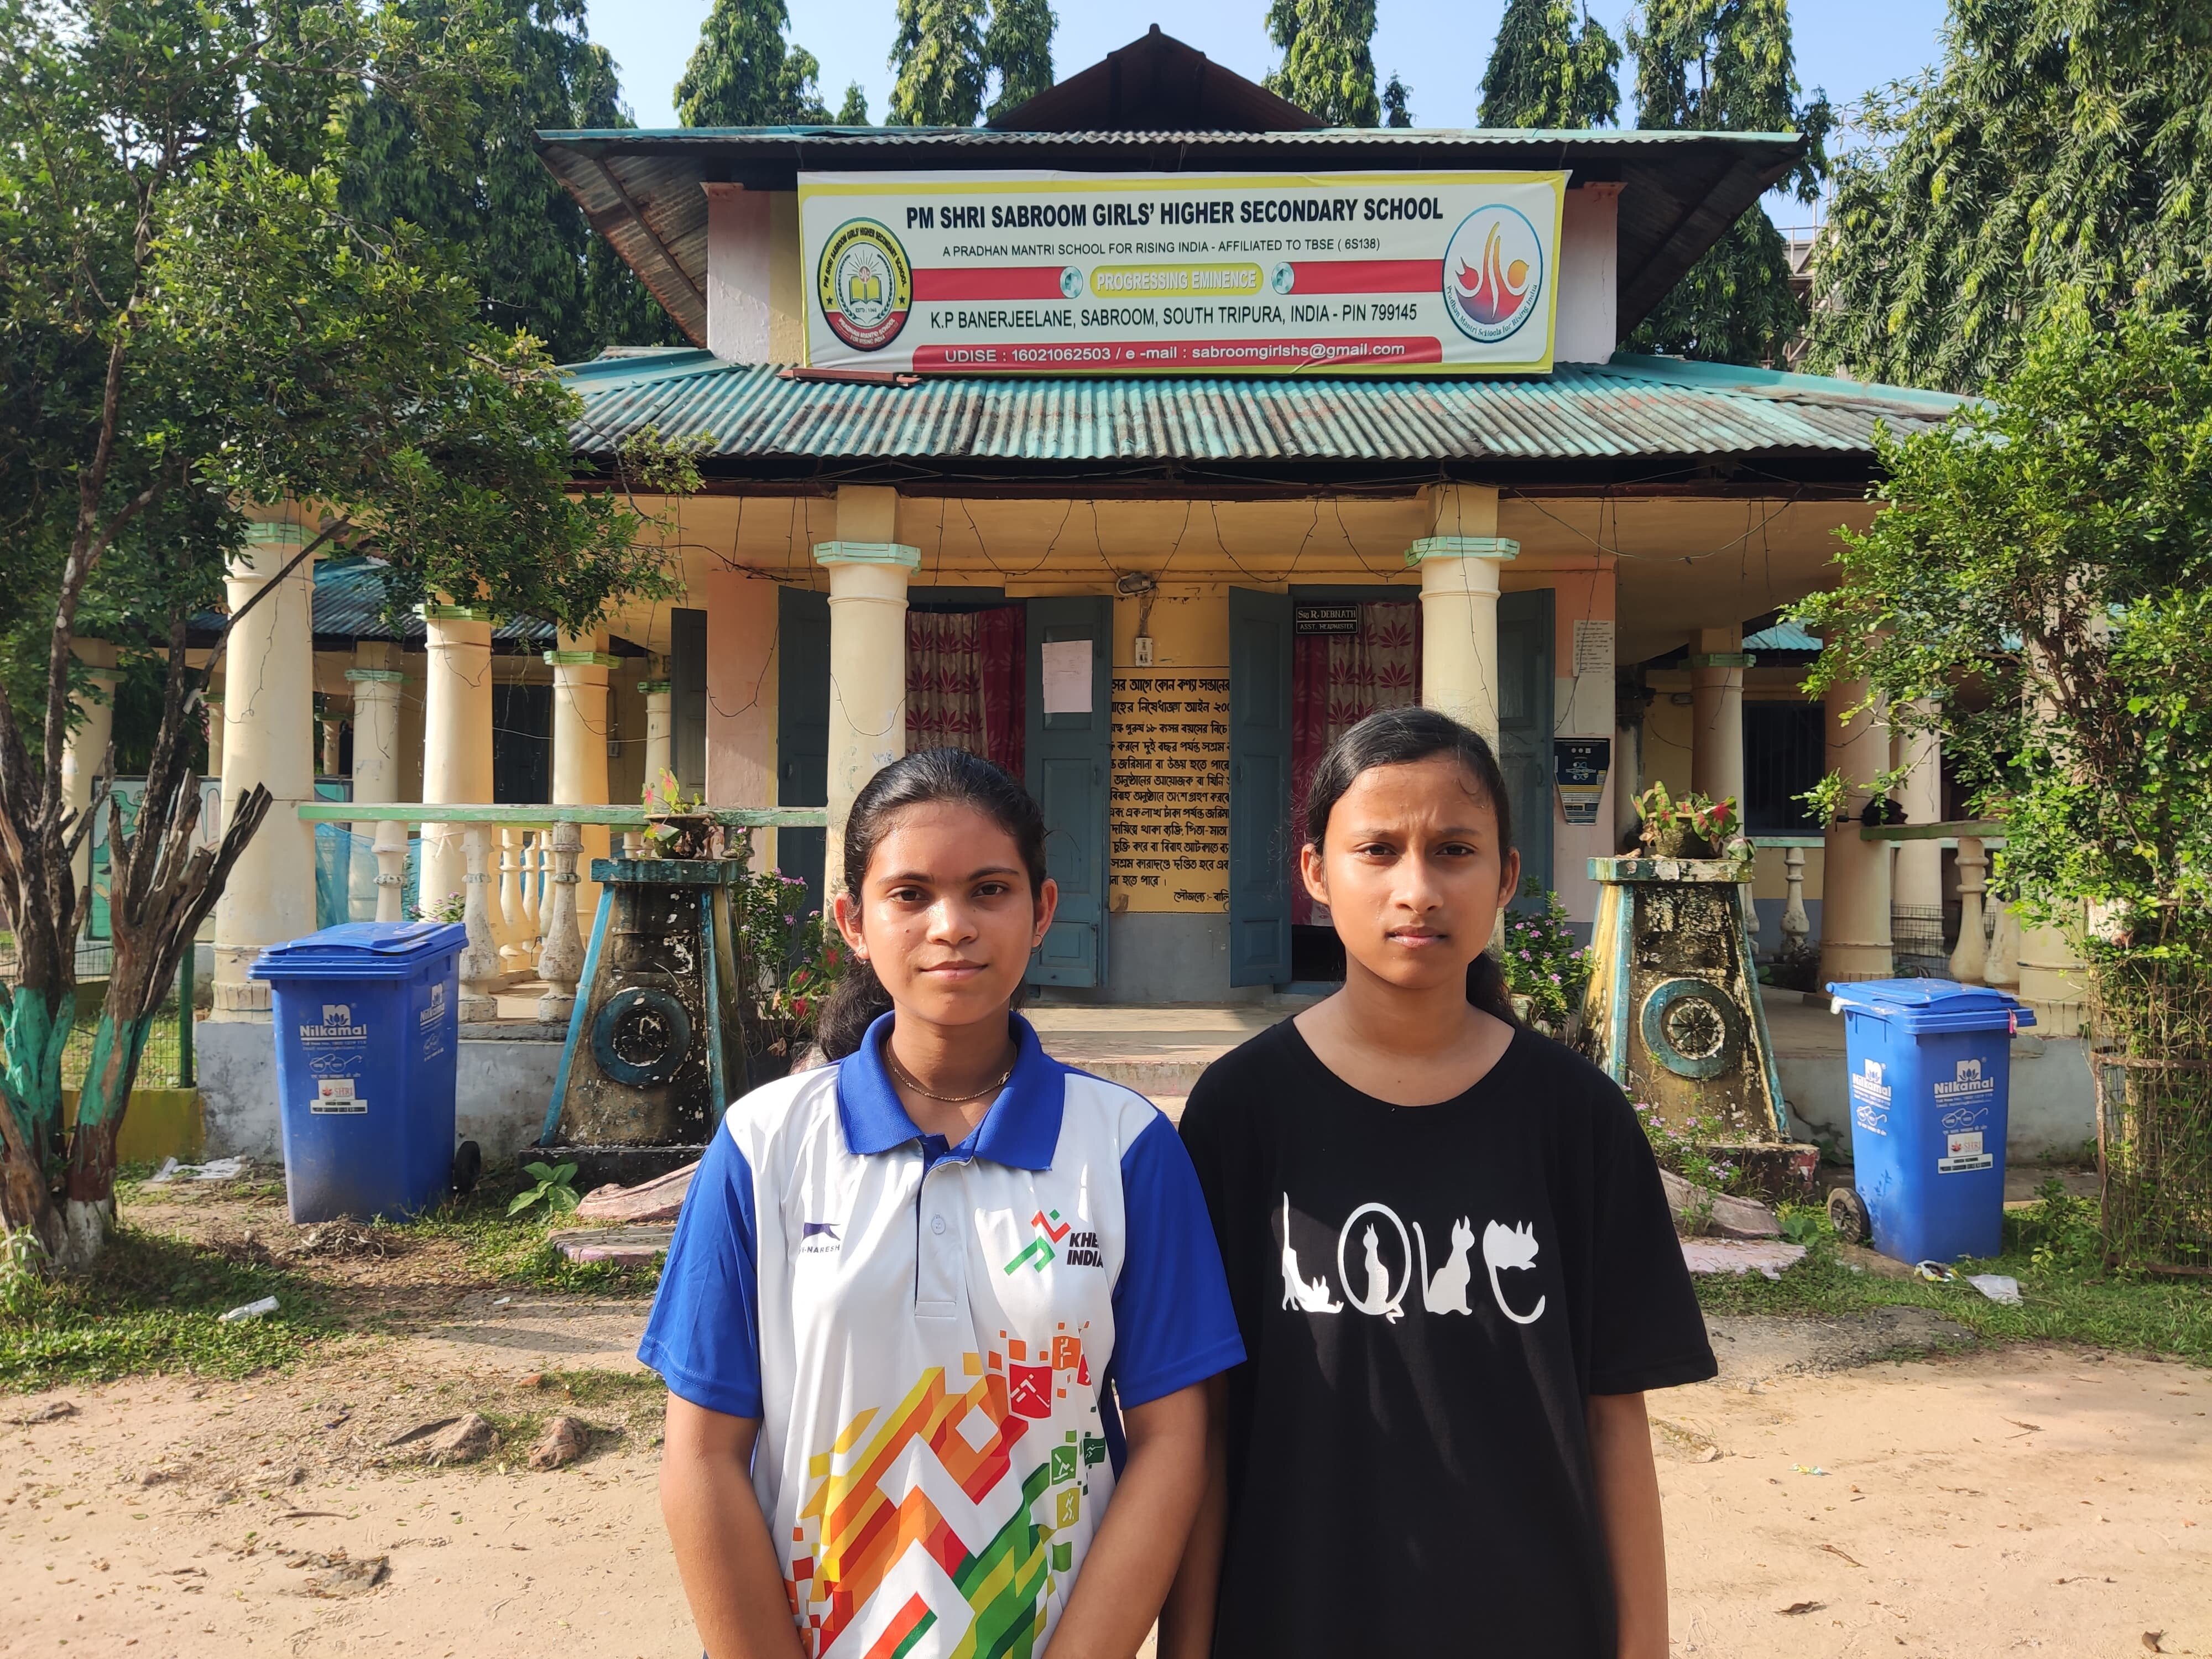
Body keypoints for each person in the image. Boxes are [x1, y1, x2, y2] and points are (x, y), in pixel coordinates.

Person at [642, 747, 1243, 1659]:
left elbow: (1173, 1440)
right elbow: (702, 1455)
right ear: (852, 921)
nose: (952, 925)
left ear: (1041, 912)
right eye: (911, 894)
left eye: (990, 890)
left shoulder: (1124, 1149)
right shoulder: (766, 1145)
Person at [1162, 708, 1715, 1659]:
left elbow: (1614, 1420)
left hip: (1532, 1619)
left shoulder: (1575, 1118)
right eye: (1377, 850)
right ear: (1315, 876)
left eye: (1454, 850)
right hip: (1293, 1618)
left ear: (1504, 877)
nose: (1416, 888)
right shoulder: (1240, 1112)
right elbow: (1206, 1429)